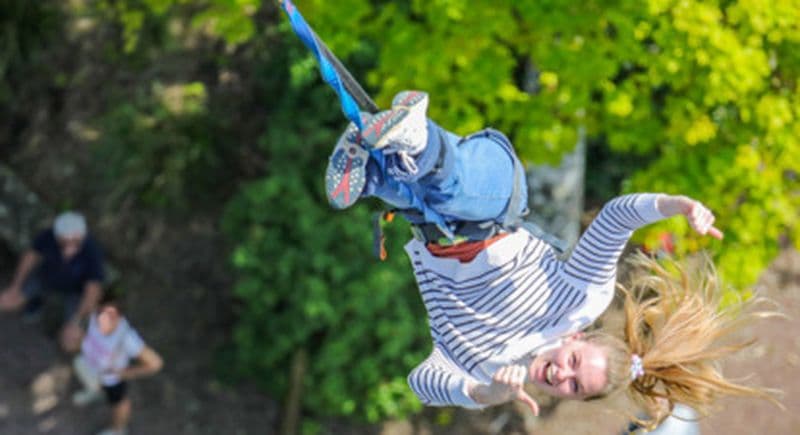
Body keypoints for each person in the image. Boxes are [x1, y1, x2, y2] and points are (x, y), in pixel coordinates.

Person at [325, 90, 780, 427]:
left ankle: (375, 172)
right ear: (576, 338)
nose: (562, 375)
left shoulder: (488, 369)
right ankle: (418, 143)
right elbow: (615, 220)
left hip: (428, 224)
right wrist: (675, 204)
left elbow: (422, 381)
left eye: (573, 386)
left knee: (417, 197)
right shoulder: (580, 300)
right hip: (494, 195)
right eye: (575, 363)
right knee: (458, 187)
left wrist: (483, 393)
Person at [0, 211, 105, 352]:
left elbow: (92, 290)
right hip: (45, 279)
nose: (69, 245)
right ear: (57, 236)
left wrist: (77, 321)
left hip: (74, 294)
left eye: (74, 241)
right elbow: (30, 258)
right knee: (5, 302)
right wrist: (15, 286)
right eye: (64, 241)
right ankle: (36, 303)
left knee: (71, 343)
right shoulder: (48, 236)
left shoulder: (92, 251)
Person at [71, 292, 163, 435]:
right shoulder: (93, 315)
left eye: (110, 315)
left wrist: (123, 373)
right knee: (82, 369)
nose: (102, 318)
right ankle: (94, 391)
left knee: (118, 403)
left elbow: (155, 363)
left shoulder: (127, 338)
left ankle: (118, 430)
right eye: (100, 311)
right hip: (91, 365)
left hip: (111, 379)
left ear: (119, 316)